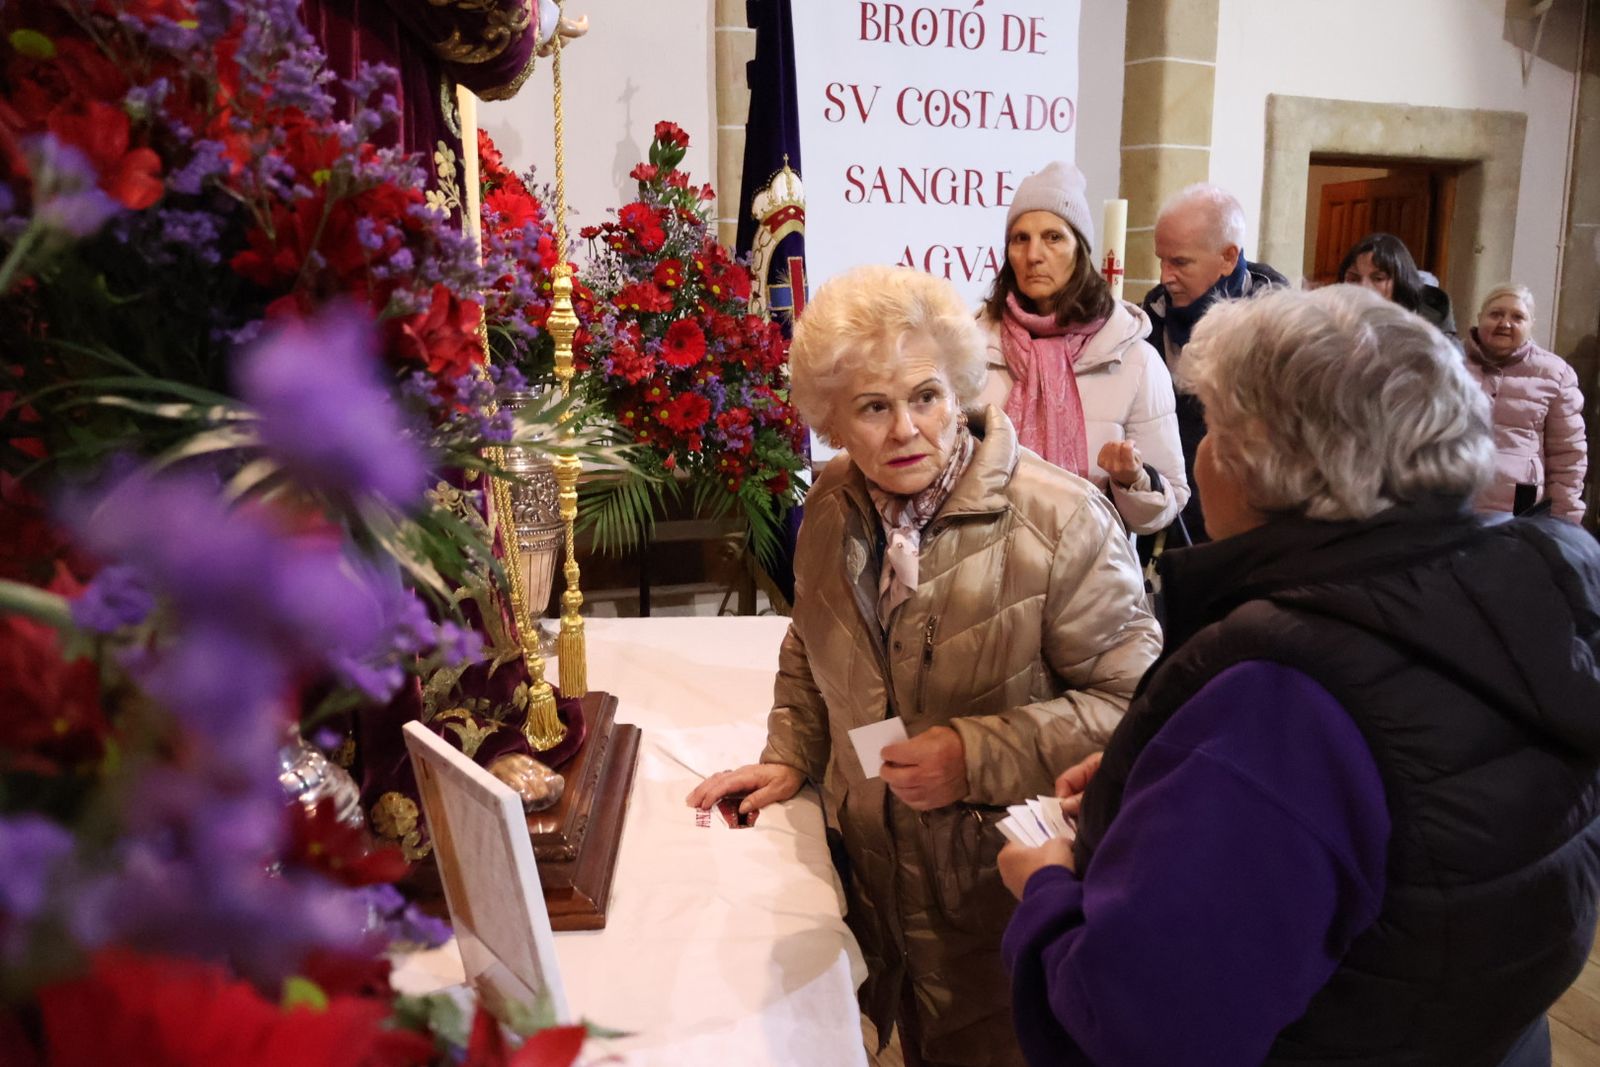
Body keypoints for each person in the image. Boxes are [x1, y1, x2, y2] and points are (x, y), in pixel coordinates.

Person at [997, 285, 1600, 1067]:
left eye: (1210, 427)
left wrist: (1046, 890)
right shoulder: (1527, 590)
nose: (1202, 453)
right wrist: (1156, 782)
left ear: (1268, 465)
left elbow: (1144, 1027)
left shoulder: (1283, 693)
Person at [686, 265, 1161, 1067]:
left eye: (927, 396)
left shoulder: (1063, 519)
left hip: (1004, 901)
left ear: (963, 389)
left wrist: (974, 752)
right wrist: (790, 753)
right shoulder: (832, 503)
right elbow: (810, 639)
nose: (906, 428)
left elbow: (1136, 707)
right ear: (834, 419)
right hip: (876, 880)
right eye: (874, 406)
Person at [972, 162, 1188, 536]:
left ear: (1080, 251)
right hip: (985, 572)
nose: (1033, 254)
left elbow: (1165, 505)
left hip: (1092, 576)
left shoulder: (1132, 359)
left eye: (1053, 237)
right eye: (1020, 238)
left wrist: (1132, 479)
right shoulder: (971, 350)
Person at [1141, 183, 1288, 543]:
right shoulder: (1151, 316)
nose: (1165, 277)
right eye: (1162, 259)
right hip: (1166, 524)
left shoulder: (1280, 331)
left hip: (1245, 531)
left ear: (1228, 257)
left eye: (1179, 262)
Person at [1462, 283, 1588, 524]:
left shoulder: (1556, 374)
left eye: (1517, 317)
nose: (1505, 323)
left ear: (1531, 325)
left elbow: (1568, 455)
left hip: (1518, 514)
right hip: (1452, 508)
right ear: (1479, 318)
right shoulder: (1448, 361)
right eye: (1496, 314)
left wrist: (1564, 522)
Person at [1338, 231, 1459, 339]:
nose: (1363, 287)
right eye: (1353, 279)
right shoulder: (1336, 323)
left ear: (1401, 283)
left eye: (1378, 279)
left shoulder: (1436, 341)